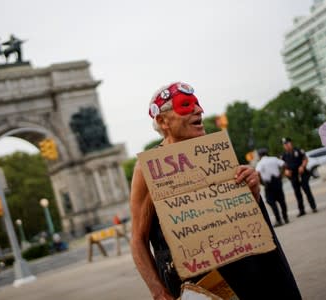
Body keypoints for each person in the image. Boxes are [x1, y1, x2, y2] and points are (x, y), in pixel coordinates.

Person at [129, 81, 301, 300]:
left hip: (246, 274)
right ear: (163, 121)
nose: (199, 110)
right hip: (196, 285)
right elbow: (137, 239)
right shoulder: (148, 169)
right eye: (186, 105)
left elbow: (240, 213)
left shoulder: (213, 151)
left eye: (198, 104)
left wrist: (252, 189)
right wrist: (158, 291)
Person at [281, 137, 317, 217]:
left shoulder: (298, 150)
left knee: (307, 190)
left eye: (287, 143)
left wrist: (302, 166)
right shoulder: (284, 155)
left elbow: (305, 159)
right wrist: (286, 171)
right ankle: (301, 210)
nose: (286, 145)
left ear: (291, 143)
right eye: (285, 144)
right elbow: (284, 165)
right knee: (297, 193)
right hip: (293, 176)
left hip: (301, 173)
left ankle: (313, 206)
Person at [255, 148, 289, 227]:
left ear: (260, 155)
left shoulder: (260, 163)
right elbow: (284, 164)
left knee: (271, 202)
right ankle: (285, 217)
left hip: (269, 184)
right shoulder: (274, 159)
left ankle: (278, 220)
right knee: (282, 201)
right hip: (277, 181)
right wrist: (281, 174)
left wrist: (261, 182)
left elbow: (257, 173)